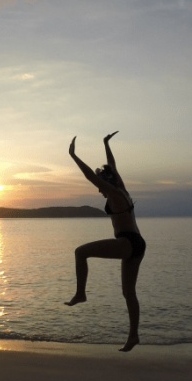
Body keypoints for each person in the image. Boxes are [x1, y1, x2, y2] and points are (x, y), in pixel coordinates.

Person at [66, 132, 146, 352]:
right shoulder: (122, 190)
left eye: (101, 187)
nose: (100, 191)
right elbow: (112, 165)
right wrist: (105, 143)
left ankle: (81, 293)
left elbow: (91, 175)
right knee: (129, 292)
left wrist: (74, 156)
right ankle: (133, 336)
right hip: (137, 243)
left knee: (80, 252)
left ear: (106, 183)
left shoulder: (114, 193)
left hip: (128, 242)